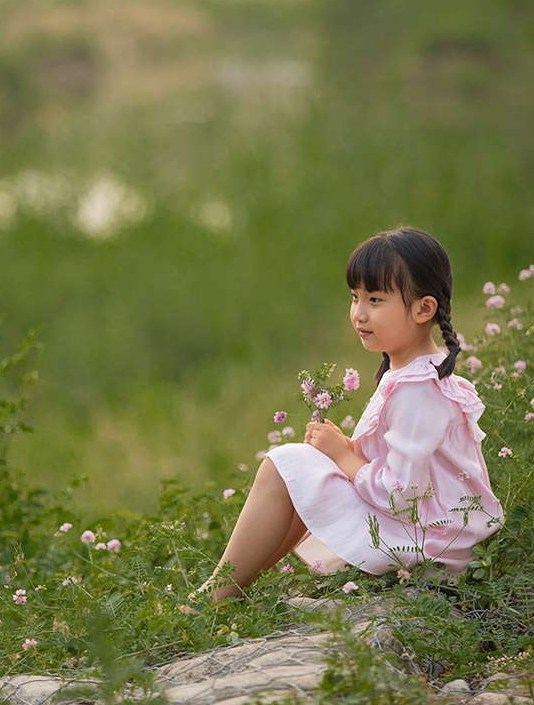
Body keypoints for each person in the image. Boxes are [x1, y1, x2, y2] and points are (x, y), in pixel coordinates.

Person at [196, 227, 502, 603]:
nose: (359, 313)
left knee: (285, 464)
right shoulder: (418, 371)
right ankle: (234, 590)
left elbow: (401, 496)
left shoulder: (418, 390)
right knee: (301, 471)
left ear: (424, 308)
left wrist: (343, 455)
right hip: (436, 535)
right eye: (355, 297)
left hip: (431, 546)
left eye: (375, 299)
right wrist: (343, 450)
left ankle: (215, 597)